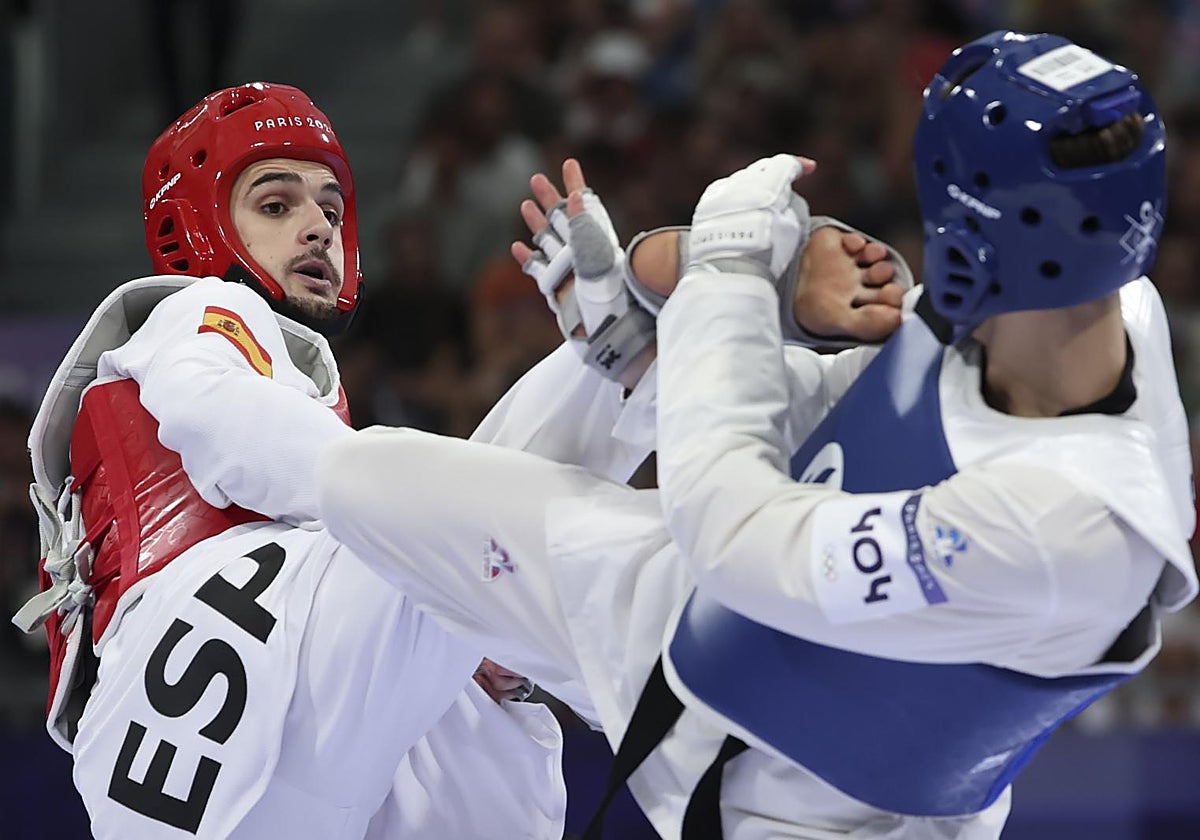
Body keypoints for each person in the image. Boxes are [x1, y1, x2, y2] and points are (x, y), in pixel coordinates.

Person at [315, 31, 1199, 839]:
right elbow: (858, 412)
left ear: (973, 227)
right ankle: (482, 660)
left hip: (804, 798)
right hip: (695, 620)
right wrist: (650, 351)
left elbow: (734, 533)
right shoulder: (1093, 303)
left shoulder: (1066, 527)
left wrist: (730, 263)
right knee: (361, 481)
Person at [10, 82, 583, 839]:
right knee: (474, 508)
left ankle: (620, 355)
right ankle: (632, 342)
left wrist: (497, 663)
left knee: (481, 581)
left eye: (332, 210)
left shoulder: (304, 444)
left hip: (187, 771)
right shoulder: (199, 317)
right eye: (276, 206)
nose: (318, 227)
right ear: (204, 230)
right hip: (206, 684)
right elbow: (232, 426)